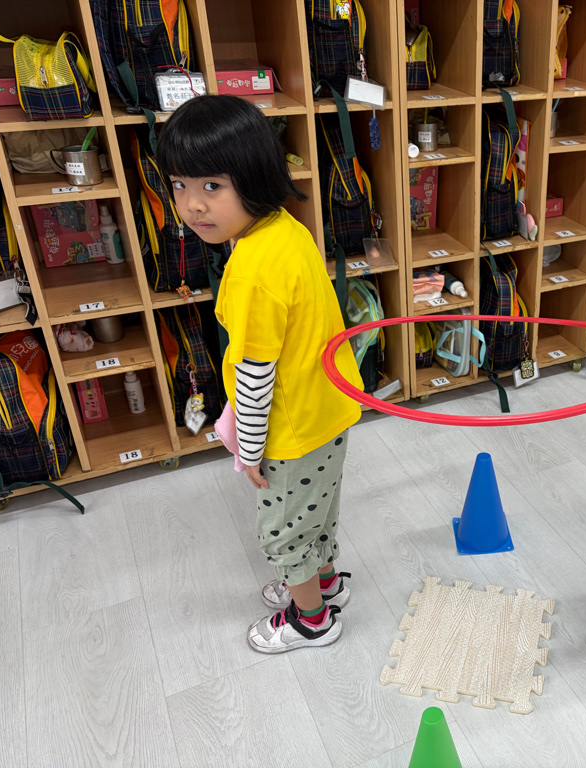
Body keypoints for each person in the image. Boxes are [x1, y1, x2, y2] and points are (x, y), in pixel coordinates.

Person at [157, 95, 364, 654]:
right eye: (179, 185)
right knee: (316, 508)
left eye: (212, 186)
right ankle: (324, 584)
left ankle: (312, 619)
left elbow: (254, 374)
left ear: (253, 176)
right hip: (327, 409)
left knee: (284, 531)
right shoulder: (284, 227)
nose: (193, 205)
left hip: (290, 431)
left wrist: (249, 450)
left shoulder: (252, 270)